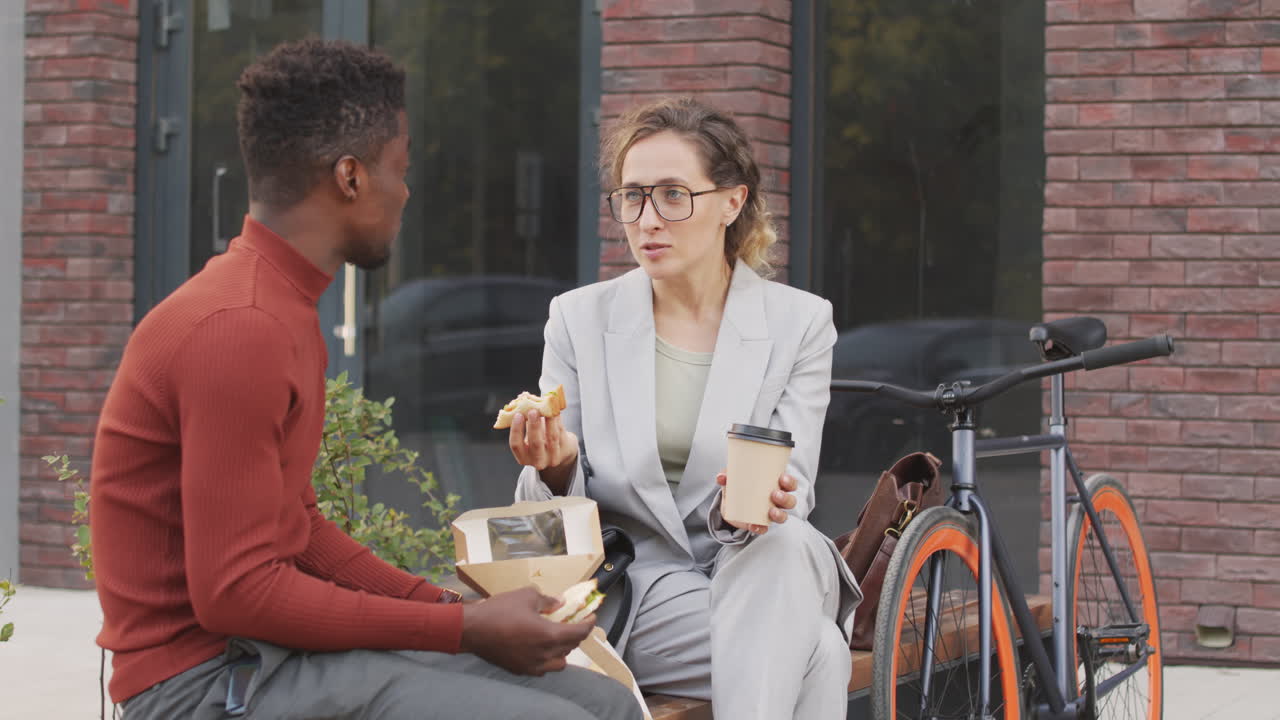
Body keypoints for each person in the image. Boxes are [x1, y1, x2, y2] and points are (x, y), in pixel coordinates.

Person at [89, 39, 640, 720]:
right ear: (350, 177)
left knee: (602, 702)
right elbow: (235, 593)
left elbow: (298, 529)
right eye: (398, 169)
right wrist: (463, 631)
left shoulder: (281, 307)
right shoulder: (239, 326)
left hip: (264, 658)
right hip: (205, 684)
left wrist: (457, 609)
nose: (405, 192)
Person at [507, 96, 862, 719]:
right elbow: (546, 522)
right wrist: (557, 464)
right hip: (635, 587)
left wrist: (756, 502)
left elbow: (792, 488)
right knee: (823, 651)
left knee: (786, 547)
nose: (648, 219)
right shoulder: (579, 318)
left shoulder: (800, 323)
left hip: (759, 563)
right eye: (632, 196)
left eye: (673, 195)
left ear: (732, 202)